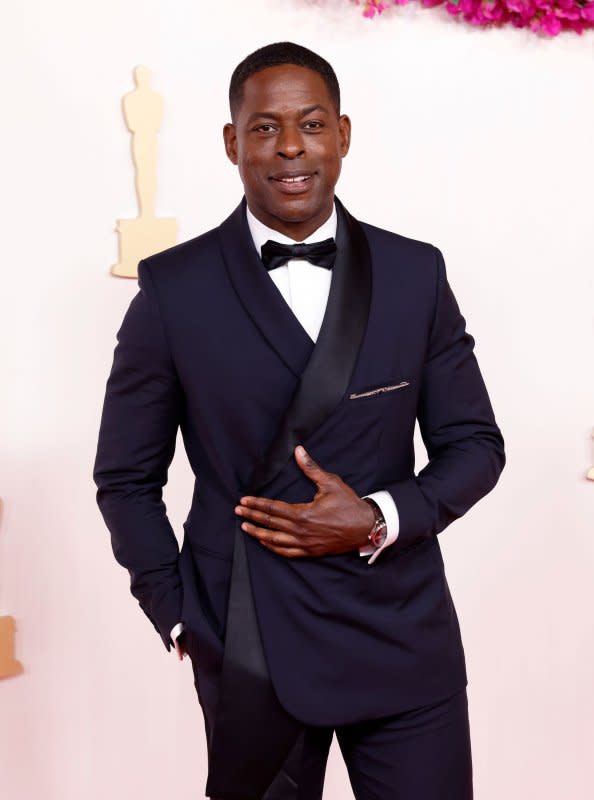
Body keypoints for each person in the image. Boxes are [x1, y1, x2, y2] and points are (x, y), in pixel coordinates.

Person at [93, 41, 506, 800]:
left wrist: (380, 515)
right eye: (264, 127)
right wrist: (180, 613)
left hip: (402, 633)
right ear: (231, 142)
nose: (290, 148)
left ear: (343, 134)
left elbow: (475, 445)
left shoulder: (416, 275)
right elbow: (124, 478)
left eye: (311, 124)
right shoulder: (172, 291)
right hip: (248, 639)